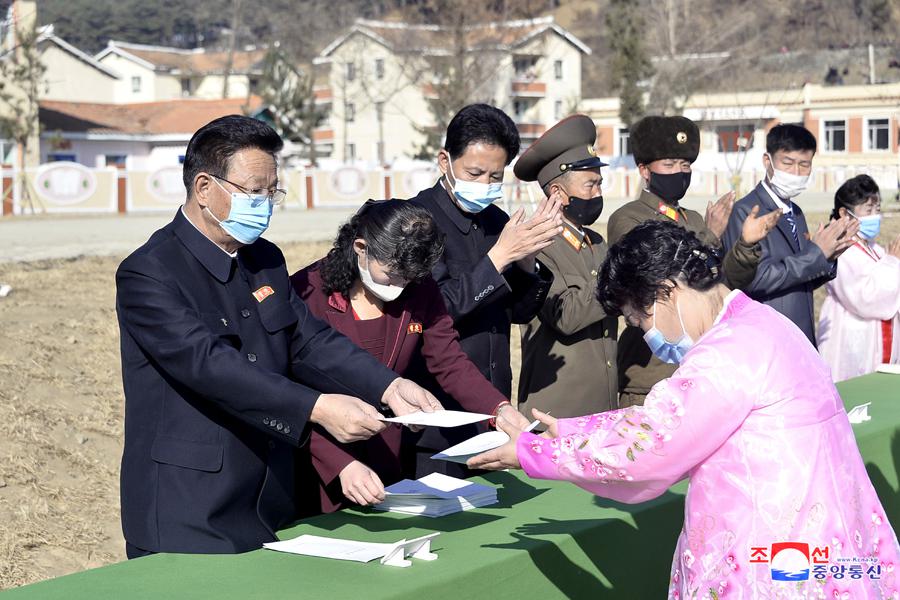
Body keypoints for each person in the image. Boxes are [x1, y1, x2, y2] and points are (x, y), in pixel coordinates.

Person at [468, 220, 900, 598]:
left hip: (772, 556)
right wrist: (567, 430)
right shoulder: (762, 323)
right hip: (821, 544)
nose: (644, 332)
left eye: (639, 320)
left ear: (666, 293)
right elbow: (669, 420)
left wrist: (533, 453)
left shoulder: (727, 353)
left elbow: (653, 447)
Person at [116, 115, 442, 557]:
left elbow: (307, 340)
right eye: (254, 191)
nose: (265, 203)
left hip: (268, 493)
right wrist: (318, 407)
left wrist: (388, 384)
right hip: (188, 504)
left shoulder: (263, 258)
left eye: (272, 192)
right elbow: (210, 367)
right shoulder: (150, 273)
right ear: (204, 187)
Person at [291, 199, 530, 511]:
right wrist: (339, 463)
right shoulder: (305, 292)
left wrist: (498, 409)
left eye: (409, 278)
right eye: (391, 275)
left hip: (387, 461)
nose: (400, 287)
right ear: (361, 248)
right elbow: (290, 388)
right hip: (317, 462)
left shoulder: (419, 287)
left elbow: (449, 360)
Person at [408, 103, 560, 475]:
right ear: (445, 161)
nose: (485, 186)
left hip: (493, 407)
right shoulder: (416, 220)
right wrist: (498, 258)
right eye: (474, 173)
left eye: (495, 176)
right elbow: (435, 308)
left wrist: (526, 261)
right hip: (437, 413)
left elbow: (519, 312)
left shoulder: (496, 220)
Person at [606, 115, 777, 406]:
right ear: (645, 170)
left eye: (685, 166)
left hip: (702, 366)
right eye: (669, 165)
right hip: (651, 375)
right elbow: (654, 281)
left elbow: (718, 286)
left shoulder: (693, 218)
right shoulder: (628, 218)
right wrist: (709, 236)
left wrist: (745, 246)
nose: (679, 173)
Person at [513, 114, 619, 418]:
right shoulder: (536, 245)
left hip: (603, 405)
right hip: (559, 411)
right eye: (590, 185)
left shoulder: (597, 241)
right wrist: (620, 277)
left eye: (599, 184)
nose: (597, 193)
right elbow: (567, 315)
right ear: (558, 193)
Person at [723, 123, 859, 346]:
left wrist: (829, 256)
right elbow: (756, 280)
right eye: (788, 163)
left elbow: (798, 277)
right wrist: (817, 254)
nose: (796, 173)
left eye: (804, 165)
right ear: (768, 161)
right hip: (768, 338)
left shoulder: (796, 212)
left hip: (799, 333)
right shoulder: (746, 211)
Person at [817, 175, 900, 381]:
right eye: (868, 211)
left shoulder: (873, 247)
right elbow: (865, 297)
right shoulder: (840, 248)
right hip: (852, 340)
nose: (875, 217)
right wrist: (892, 264)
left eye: (877, 210)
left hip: (878, 339)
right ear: (845, 213)